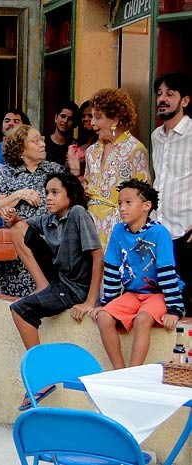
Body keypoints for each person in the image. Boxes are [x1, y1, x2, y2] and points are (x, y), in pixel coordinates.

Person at [1, 171, 102, 409]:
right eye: (47, 193)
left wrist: (90, 302)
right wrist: (12, 216)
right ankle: (42, 286)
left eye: (55, 193)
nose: (48, 197)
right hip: (58, 280)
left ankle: (41, 377)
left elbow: (98, 258)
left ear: (71, 195)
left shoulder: (78, 214)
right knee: (18, 229)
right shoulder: (49, 218)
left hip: (76, 288)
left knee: (20, 309)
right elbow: (22, 227)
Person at [89, 180, 184, 369]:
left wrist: (174, 309)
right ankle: (120, 371)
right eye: (120, 203)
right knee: (104, 317)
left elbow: (167, 272)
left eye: (128, 203)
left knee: (142, 319)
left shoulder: (159, 233)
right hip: (132, 294)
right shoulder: (117, 231)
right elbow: (112, 270)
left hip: (158, 294)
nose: (122, 208)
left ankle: (133, 372)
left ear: (146, 206)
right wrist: (109, 304)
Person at [0, 125, 64, 297]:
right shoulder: (4, 172)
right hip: (17, 253)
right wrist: (19, 195)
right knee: (15, 303)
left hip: (49, 247)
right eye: (35, 141)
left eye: (42, 139)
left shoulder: (54, 170)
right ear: (20, 147)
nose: (42, 144)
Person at [84, 88, 150, 250]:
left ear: (115, 119)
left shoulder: (135, 150)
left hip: (122, 229)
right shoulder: (91, 152)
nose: (92, 122)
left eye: (98, 117)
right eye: (92, 117)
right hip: (91, 229)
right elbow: (87, 184)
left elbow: (144, 196)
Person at [151, 72, 192, 315]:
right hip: (160, 231)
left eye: (170, 94)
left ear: (184, 101)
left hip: (186, 233)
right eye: (159, 94)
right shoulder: (157, 136)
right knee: (165, 304)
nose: (162, 99)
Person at [67, 100, 98, 181]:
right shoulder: (76, 143)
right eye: (83, 116)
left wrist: (80, 162)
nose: (85, 119)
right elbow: (67, 164)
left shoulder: (102, 143)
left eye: (90, 116)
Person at [45, 101, 79, 167]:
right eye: (63, 116)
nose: (65, 121)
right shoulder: (42, 143)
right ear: (56, 118)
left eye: (70, 119)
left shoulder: (75, 147)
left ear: (74, 123)